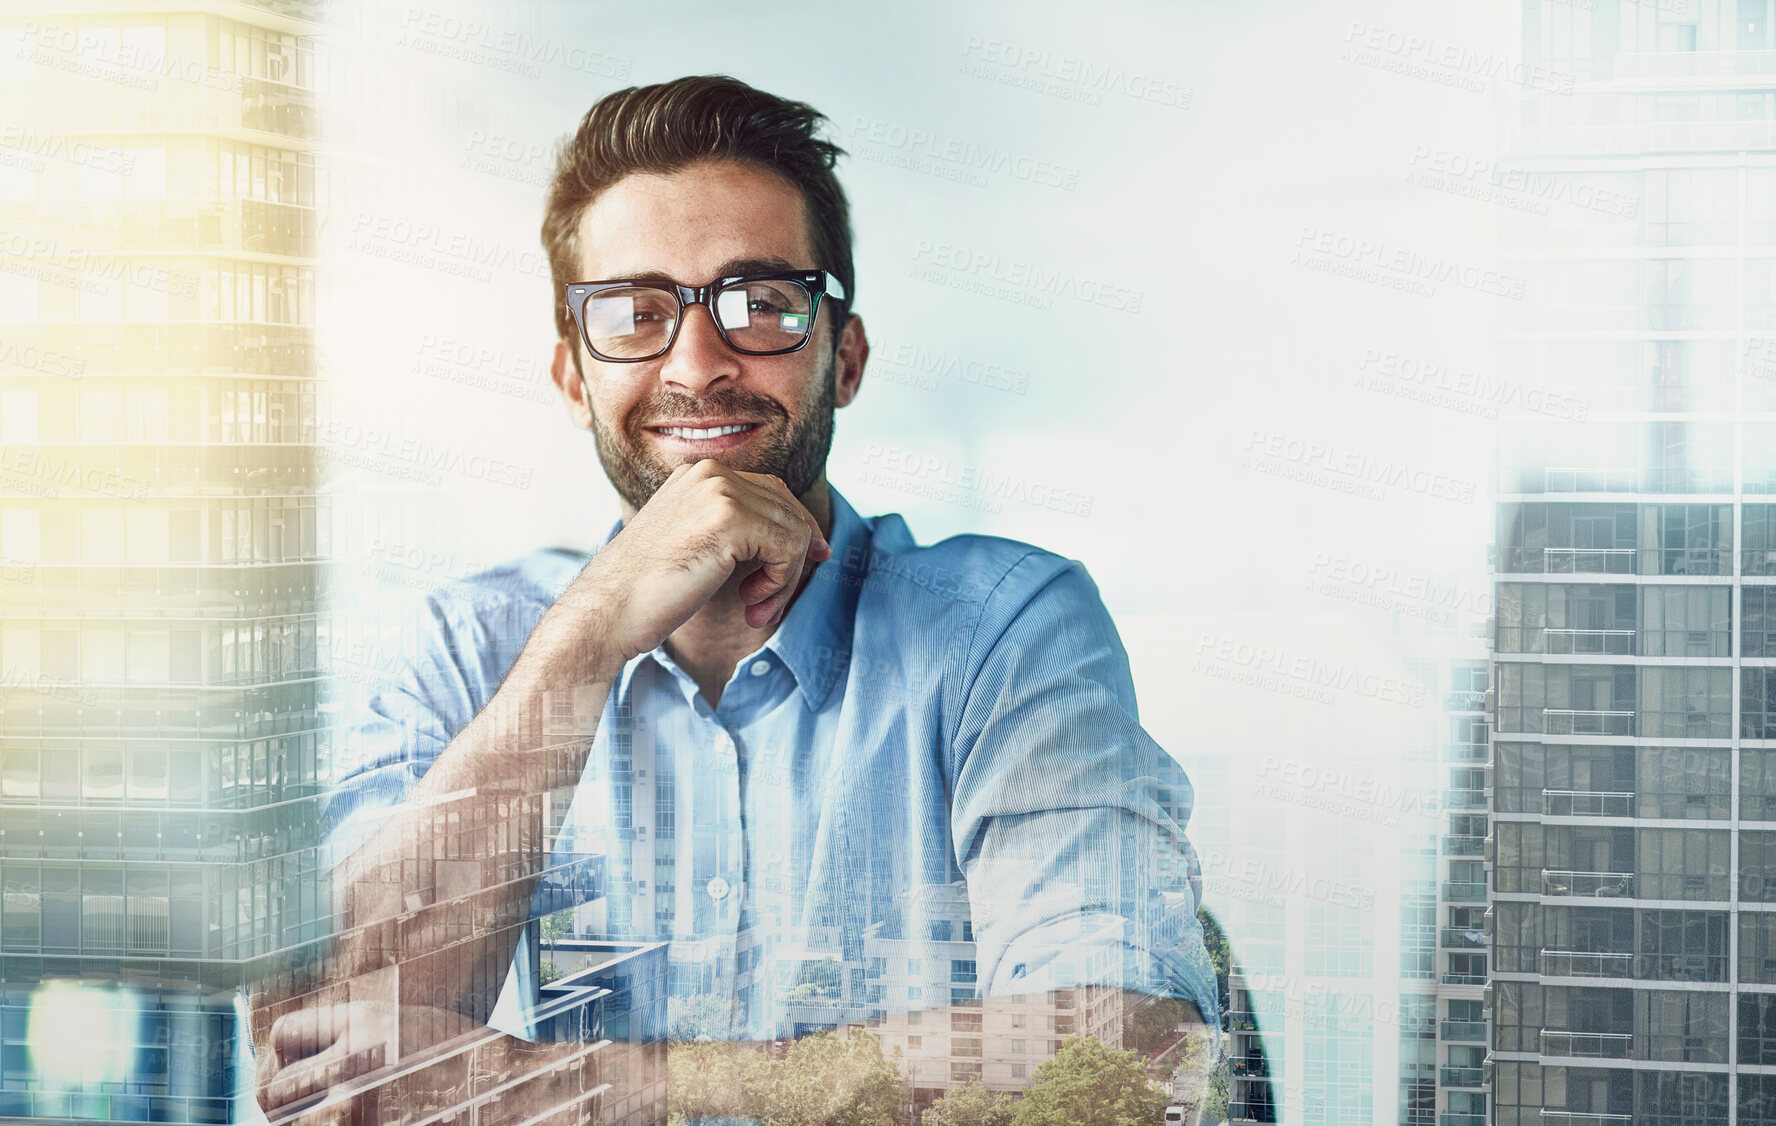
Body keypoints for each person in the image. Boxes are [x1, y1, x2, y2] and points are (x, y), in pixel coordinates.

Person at [251, 74, 1218, 1123]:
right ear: (574, 377)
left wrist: (596, 1087)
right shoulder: (468, 645)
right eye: (635, 313)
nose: (700, 363)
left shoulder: (1005, 626)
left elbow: (1130, 1069)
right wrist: (582, 644)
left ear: (842, 358)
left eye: (762, 304)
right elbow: (312, 1069)